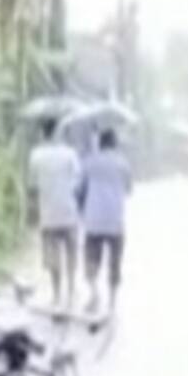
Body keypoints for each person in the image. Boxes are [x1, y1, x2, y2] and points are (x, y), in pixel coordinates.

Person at [27, 121, 82, 308]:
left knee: (53, 258)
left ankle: (57, 294)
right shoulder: (70, 153)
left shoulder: (36, 156)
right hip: (69, 212)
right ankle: (71, 290)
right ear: (59, 133)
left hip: (48, 214)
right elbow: (77, 182)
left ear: (43, 133)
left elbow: (32, 188)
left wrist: (33, 213)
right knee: (71, 253)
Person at [81, 128, 133, 314]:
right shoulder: (123, 164)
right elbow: (128, 191)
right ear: (116, 144)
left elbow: (81, 183)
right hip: (115, 221)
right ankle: (112, 303)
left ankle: (94, 292)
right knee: (114, 262)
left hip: (94, 219)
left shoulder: (90, 162)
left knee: (91, 259)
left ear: (100, 143)